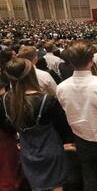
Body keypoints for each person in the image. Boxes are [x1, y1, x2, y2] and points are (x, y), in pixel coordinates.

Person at [56, 40, 97, 191]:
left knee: (90, 181)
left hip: (82, 140)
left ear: (71, 62)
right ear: (91, 61)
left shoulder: (61, 88)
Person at [1, 58, 71, 191]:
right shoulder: (47, 101)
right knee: (57, 186)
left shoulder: (4, 101)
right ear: (31, 75)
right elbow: (63, 128)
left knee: (36, 185)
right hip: (52, 150)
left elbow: (7, 129)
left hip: (27, 151)